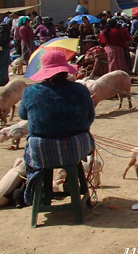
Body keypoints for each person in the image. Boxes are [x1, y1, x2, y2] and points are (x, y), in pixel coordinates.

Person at [19, 50, 95, 205]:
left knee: (30, 151)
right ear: (65, 70)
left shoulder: (30, 92)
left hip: (41, 150)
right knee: (84, 142)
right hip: (77, 147)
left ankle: (39, 192)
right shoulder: (81, 90)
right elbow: (90, 117)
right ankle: (69, 181)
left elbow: (23, 115)